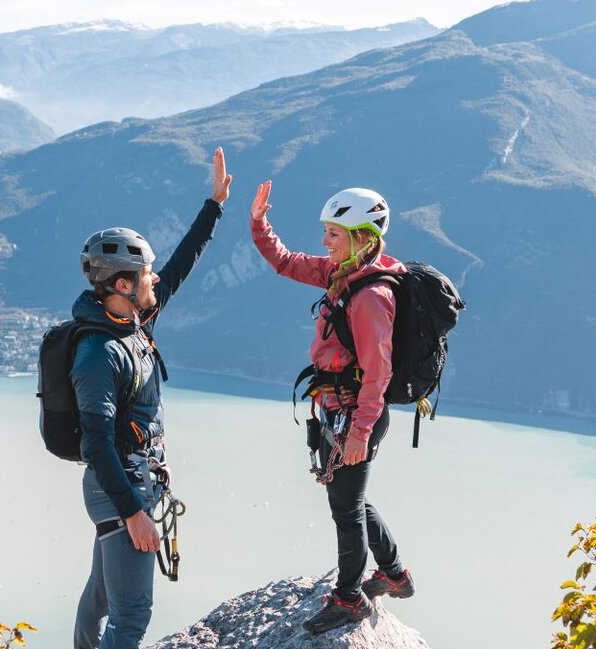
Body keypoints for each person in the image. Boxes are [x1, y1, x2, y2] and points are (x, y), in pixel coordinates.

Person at [71, 148, 231, 649]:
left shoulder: (131, 323)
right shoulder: (100, 354)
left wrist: (214, 206)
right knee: (131, 617)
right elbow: (96, 443)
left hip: (131, 483)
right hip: (122, 490)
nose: (155, 278)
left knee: (100, 598)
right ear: (122, 285)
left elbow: (178, 269)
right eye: (145, 274)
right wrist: (134, 512)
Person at [249, 181, 416, 634]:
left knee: (345, 507)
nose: (324, 241)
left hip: (354, 413)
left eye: (334, 234)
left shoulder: (370, 297)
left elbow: (378, 373)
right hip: (338, 407)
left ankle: (349, 598)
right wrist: (260, 223)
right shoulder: (342, 273)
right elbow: (286, 262)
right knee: (350, 498)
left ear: (363, 238)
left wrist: (359, 432)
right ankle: (395, 574)